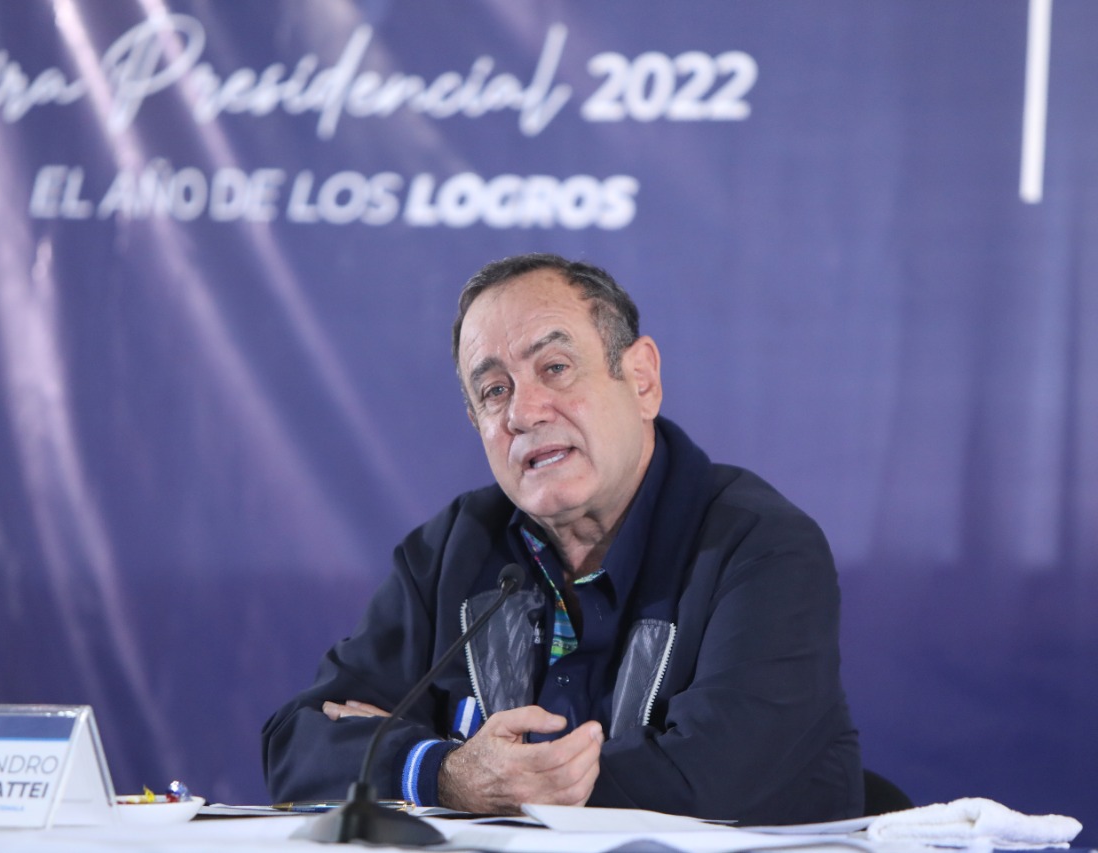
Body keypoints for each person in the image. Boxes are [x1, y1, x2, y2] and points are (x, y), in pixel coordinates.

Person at [261, 253, 863, 823]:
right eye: (494, 391)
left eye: (555, 368)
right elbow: (298, 746)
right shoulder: (452, 551)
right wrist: (447, 773)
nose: (524, 412)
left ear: (642, 380)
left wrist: (500, 785)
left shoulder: (760, 548)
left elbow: (710, 780)